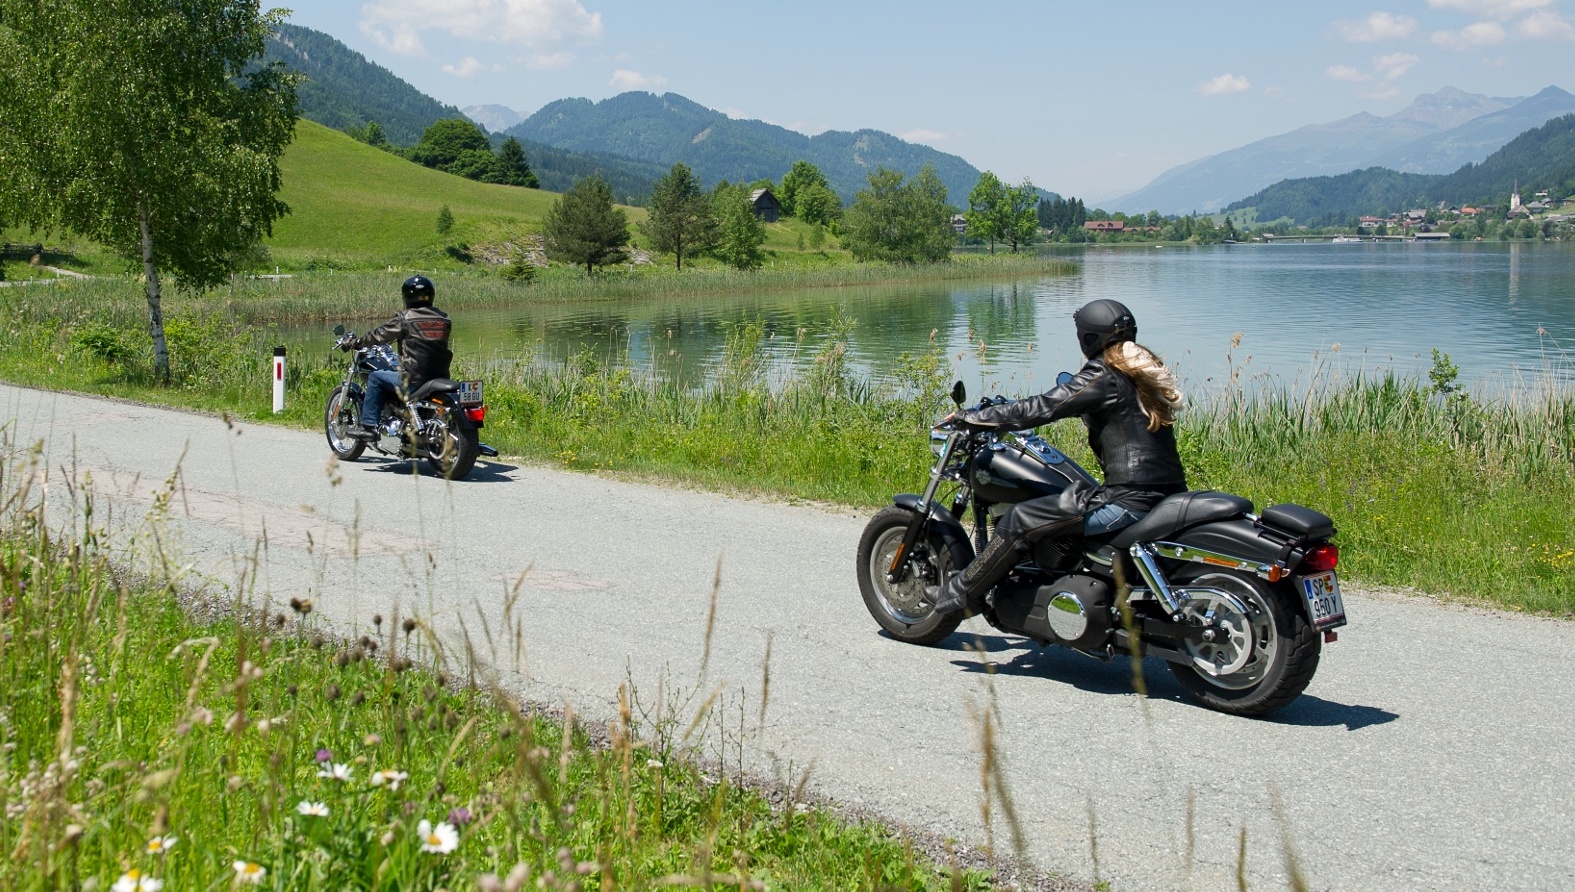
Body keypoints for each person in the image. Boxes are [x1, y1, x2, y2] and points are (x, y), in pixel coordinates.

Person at [930, 299, 1187, 616]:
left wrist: (972, 417)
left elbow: (1043, 408)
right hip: (1167, 495)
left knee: (1019, 519)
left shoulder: (1103, 374)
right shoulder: (1141, 374)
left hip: (1128, 501)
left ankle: (959, 596)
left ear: (1088, 338)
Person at [340, 274, 453, 438]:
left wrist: (356, 342)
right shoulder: (444, 319)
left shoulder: (406, 318)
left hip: (414, 379)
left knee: (376, 378)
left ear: (407, 296)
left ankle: (369, 426)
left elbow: (379, 335)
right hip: (440, 377)